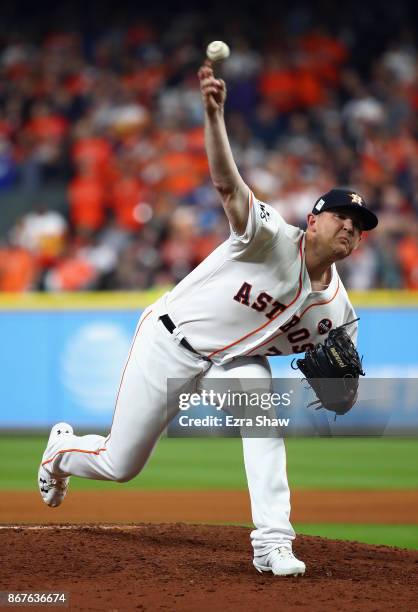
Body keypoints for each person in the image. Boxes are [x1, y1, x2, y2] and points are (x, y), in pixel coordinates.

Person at [38, 61, 378, 577]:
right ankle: (61, 453)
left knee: (264, 426)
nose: (351, 230)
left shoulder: (338, 313)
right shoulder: (266, 236)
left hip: (234, 363)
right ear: (313, 220)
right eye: (342, 218)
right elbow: (227, 184)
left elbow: (345, 378)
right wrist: (214, 115)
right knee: (120, 464)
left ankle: (272, 543)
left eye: (360, 227)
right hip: (171, 339)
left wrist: (347, 392)